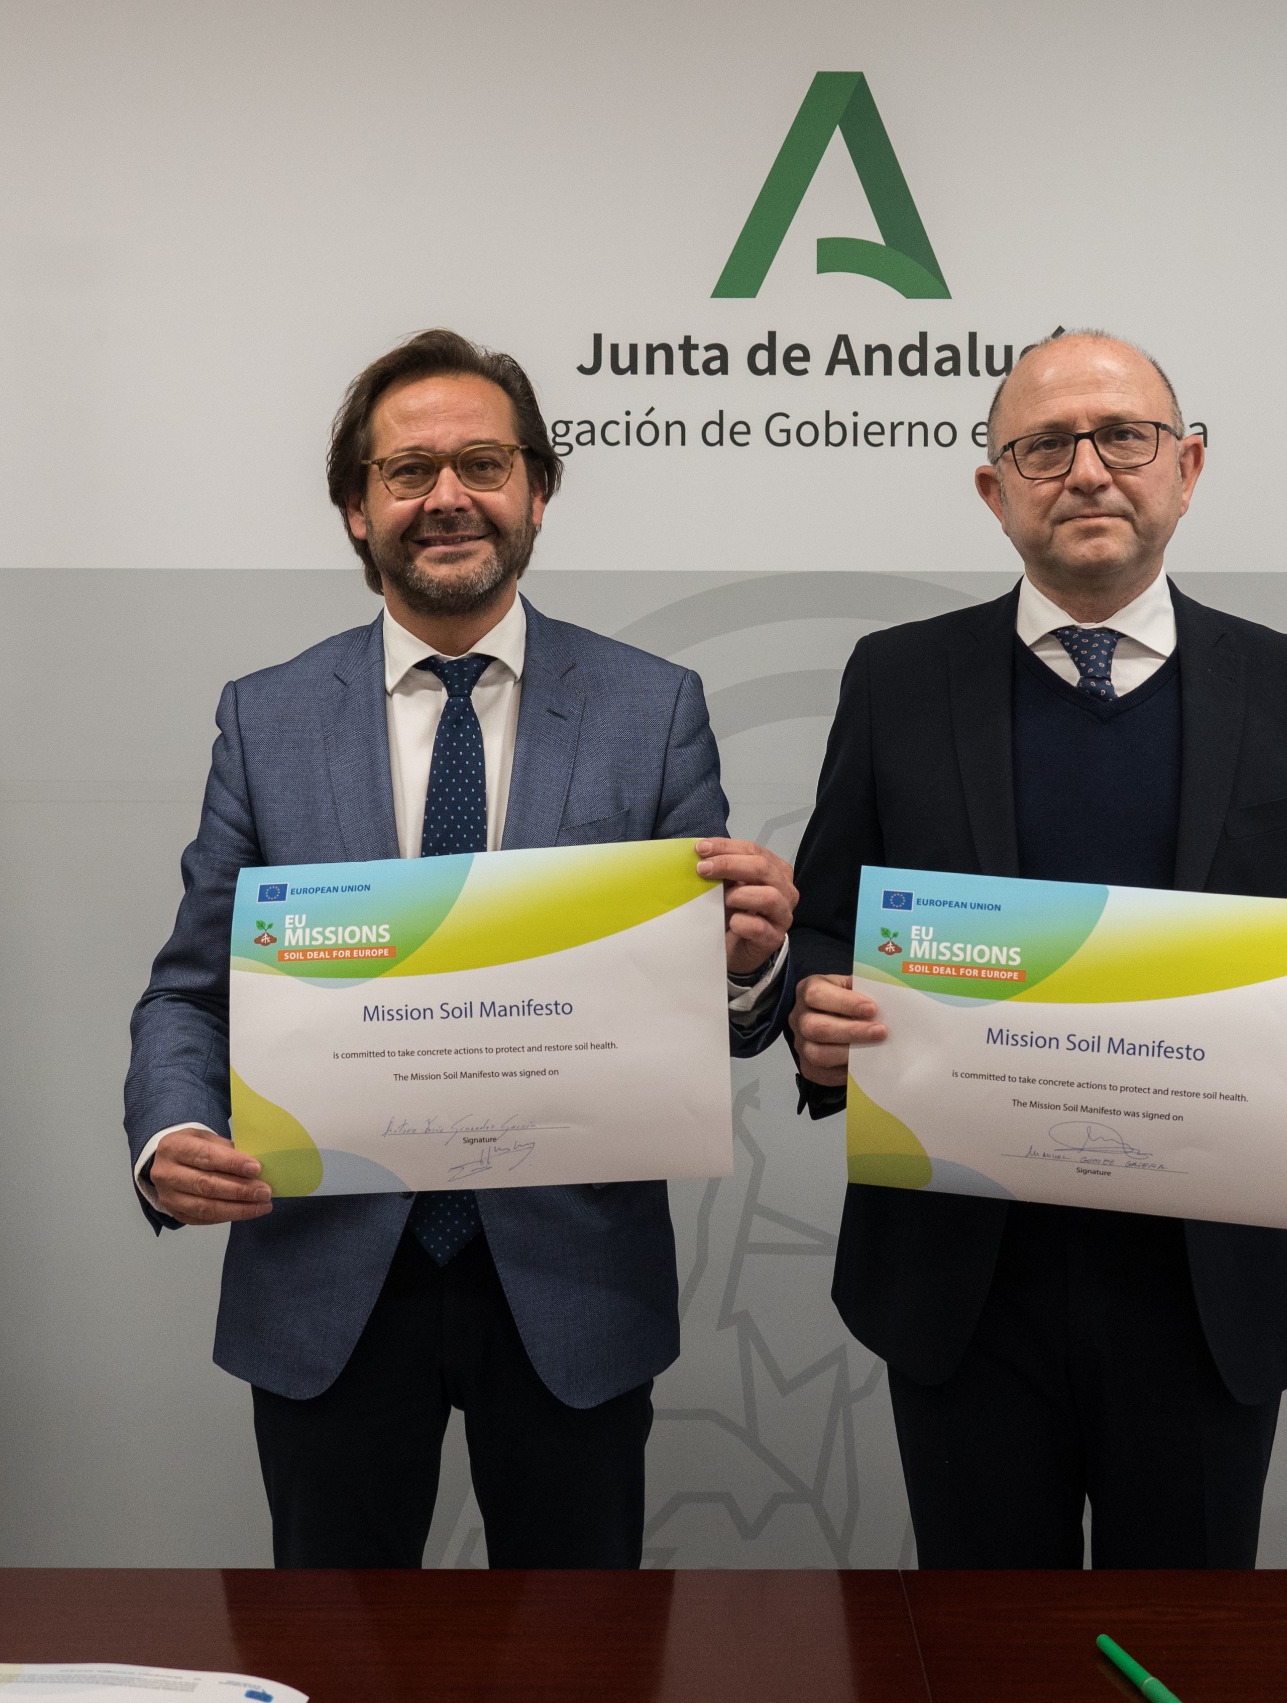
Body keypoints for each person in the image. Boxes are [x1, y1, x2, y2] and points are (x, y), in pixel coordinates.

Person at [124, 328, 797, 1569]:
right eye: (407, 470)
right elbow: (191, 987)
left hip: (571, 1282)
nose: (447, 496)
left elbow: (717, 1002)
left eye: (483, 463)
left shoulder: (653, 709)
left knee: (577, 1661)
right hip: (327, 1272)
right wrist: (168, 1134)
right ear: (352, 508)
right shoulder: (266, 718)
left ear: (539, 490)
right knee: (335, 1652)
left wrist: (750, 959)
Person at [785, 329, 1287, 1568]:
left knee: (1183, 1655)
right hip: (963, 1284)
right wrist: (817, 1014)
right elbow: (827, 925)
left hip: (1205, 1290)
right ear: (995, 490)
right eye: (1043, 445)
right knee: (983, 1664)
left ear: (1185, 468)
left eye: (1122, 437)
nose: (1086, 469)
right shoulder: (896, 681)